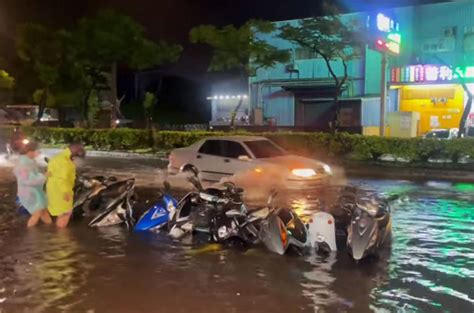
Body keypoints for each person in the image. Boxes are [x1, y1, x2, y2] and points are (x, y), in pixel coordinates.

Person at [46, 143, 86, 228]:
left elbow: (50, 174)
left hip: (52, 189)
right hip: (62, 191)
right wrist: (66, 192)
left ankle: (58, 233)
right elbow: (62, 179)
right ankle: (61, 238)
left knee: (60, 213)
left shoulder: (57, 157)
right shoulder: (66, 162)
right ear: (75, 152)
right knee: (65, 213)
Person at [13, 141, 52, 227]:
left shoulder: (30, 161)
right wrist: (44, 176)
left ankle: (51, 230)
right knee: (37, 213)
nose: (38, 153)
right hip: (28, 193)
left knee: (43, 211)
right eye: (37, 151)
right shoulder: (23, 164)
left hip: (36, 192)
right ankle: (30, 234)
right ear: (30, 151)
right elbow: (26, 179)